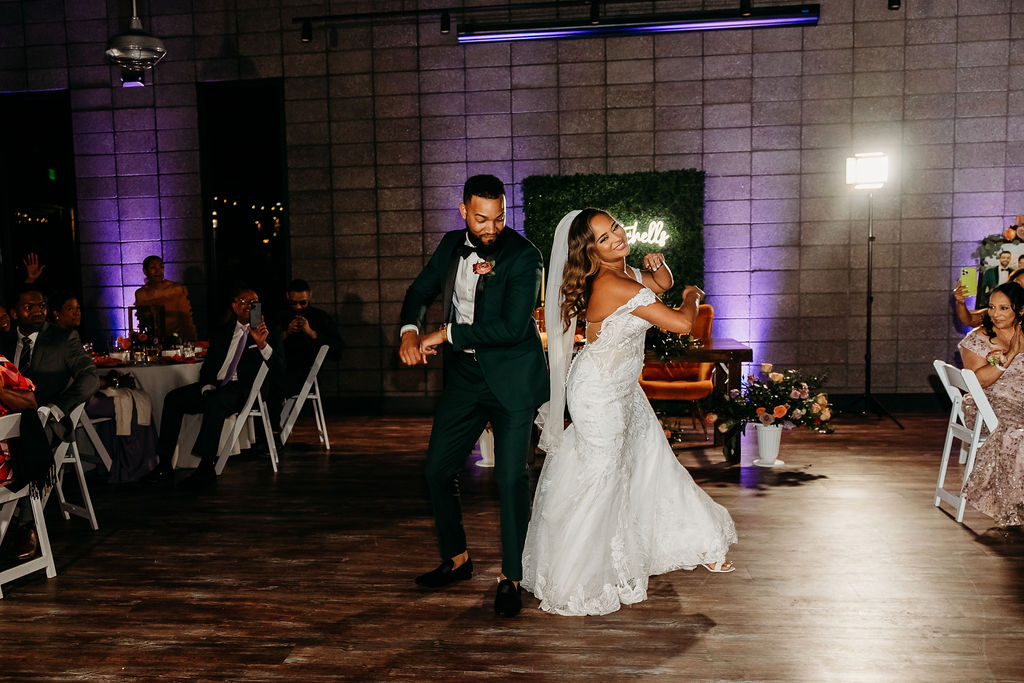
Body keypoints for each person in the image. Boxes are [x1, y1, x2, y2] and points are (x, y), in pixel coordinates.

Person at [522, 208, 737, 616]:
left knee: (653, 465)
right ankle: (574, 578)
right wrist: (691, 296)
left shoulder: (629, 275)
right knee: (600, 481)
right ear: (592, 251)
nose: (617, 238)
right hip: (598, 392)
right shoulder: (613, 284)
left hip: (623, 389)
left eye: (616, 228)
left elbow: (658, 282)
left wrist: (663, 266)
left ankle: (697, 544)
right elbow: (680, 324)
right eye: (604, 238)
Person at [399, 174, 548, 618]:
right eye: (481, 218)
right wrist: (410, 331)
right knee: (436, 471)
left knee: (509, 479)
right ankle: (458, 559)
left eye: (499, 217)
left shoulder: (524, 256)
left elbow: (511, 328)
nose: (491, 227)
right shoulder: (450, 245)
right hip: (465, 379)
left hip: (512, 378)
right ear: (463, 210)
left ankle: (513, 576)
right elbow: (418, 292)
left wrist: (443, 333)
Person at [145, 286, 283, 491]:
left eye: (254, 303)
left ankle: (206, 467)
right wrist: (207, 386)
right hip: (217, 385)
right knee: (174, 398)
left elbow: (280, 369)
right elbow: (209, 367)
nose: (250, 306)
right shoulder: (223, 331)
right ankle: (164, 464)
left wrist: (262, 345)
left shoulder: (268, 330)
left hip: (246, 389)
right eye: (245, 302)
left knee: (216, 401)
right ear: (235, 305)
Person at [958, 281, 1024, 527]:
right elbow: (977, 382)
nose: (996, 314)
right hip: (988, 405)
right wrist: (1009, 355)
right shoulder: (977, 340)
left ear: (1020, 310)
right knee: (1018, 433)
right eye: (993, 307)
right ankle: (1015, 505)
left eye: (1004, 308)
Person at [271, 279, 342, 427]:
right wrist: (285, 333)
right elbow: (266, 346)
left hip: (305, 375)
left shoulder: (320, 317)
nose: (298, 307)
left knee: (271, 388)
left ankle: (274, 433)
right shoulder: (280, 317)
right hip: (281, 370)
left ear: (309, 296)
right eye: (294, 303)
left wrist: (312, 333)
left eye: (303, 303)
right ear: (287, 297)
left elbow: (337, 350)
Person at [133, 255, 198, 342]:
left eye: (161, 267)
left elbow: (186, 318)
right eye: (153, 267)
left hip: (176, 339)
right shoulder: (141, 293)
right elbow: (142, 322)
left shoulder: (175, 289)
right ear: (145, 271)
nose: (158, 271)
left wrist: (192, 340)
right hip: (152, 340)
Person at [954, 268, 1024, 328]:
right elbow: (969, 320)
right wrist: (961, 302)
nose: (1020, 289)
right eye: (1018, 284)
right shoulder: (995, 311)